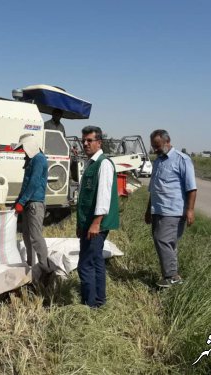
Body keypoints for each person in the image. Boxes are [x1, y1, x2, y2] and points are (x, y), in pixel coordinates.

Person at [144, 129, 197, 288]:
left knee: (163, 240)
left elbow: (191, 188)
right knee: (167, 243)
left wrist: (190, 210)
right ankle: (171, 277)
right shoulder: (158, 161)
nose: (155, 149)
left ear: (167, 142)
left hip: (173, 210)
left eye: (157, 146)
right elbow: (153, 188)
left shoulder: (182, 160)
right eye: (153, 146)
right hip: (157, 210)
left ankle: (172, 277)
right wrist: (148, 210)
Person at [76, 126, 119, 308]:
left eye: (89, 140)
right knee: (96, 261)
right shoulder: (91, 163)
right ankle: (99, 300)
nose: (85, 144)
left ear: (99, 142)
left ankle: (90, 304)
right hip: (89, 223)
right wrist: (81, 224)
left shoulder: (104, 164)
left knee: (86, 265)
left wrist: (96, 223)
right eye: (83, 140)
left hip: (96, 224)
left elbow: (103, 196)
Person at [12, 134, 51, 283]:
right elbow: (26, 183)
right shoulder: (32, 160)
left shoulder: (39, 159)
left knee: (35, 236)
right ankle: (30, 263)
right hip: (29, 202)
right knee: (27, 235)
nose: (23, 151)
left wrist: (22, 201)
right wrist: (18, 200)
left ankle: (45, 268)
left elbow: (34, 182)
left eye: (23, 148)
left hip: (35, 203)